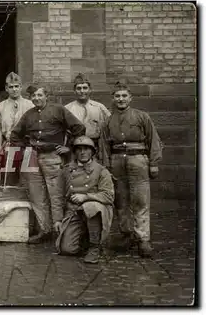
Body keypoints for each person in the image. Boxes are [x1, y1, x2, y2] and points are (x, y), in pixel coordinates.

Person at [10, 84, 86, 243]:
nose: (36, 98)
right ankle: (44, 230)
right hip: (32, 156)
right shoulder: (28, 115)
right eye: (33, 96)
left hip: (52, 156)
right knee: (36, 195)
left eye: (39, 95)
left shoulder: (59, 110)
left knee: (56, 194)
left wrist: (69, 147)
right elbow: (15, 135)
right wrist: (24, 149)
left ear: (46, 96)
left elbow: (79, 128)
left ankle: (60, 231)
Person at [99, 81, 163, 258]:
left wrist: (154, 163)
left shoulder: (142, 116)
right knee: (121, 200)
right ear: (113, 99)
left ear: (130, 98)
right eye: (117, 96)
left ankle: (143, 239)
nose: (121, 99)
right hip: (116, 160)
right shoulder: (108, 121)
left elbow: (153, 140)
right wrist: (106, 167)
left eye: (124, 96)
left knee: (141, 199)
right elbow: (104, 146)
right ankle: (127, 235)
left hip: (138, 159)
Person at [55, 136, 114, 264]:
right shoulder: (66, 170)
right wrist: (58, 219)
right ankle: (84, 239)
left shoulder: (101, 171)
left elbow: (109, 196)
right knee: (67, 249)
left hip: (96, 212)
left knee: (91, 206)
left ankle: (94, 247)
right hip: (74, 211)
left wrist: (86, 196)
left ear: (92, 152)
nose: (82, 153)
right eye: (79, 149)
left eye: (86, 149)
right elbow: (58, 196)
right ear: (74, 152)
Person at [0, 72, 35, 187]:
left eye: (16, 86)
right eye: (11, 87)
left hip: (26, 146)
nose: (14, 89)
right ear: (6, 88)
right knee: (9, 180)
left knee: (27, 179)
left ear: (21, 87)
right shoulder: (1, 106)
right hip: (9, 147)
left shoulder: (30, 105)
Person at [65, 73, 111, 158]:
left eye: (85, 88)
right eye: (79, 88)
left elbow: (109, 128)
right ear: (74, 91)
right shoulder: (67, 109)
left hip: (95, 148)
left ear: (90, 90)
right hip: (75, 149)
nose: (82, 91)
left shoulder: (100, 108)